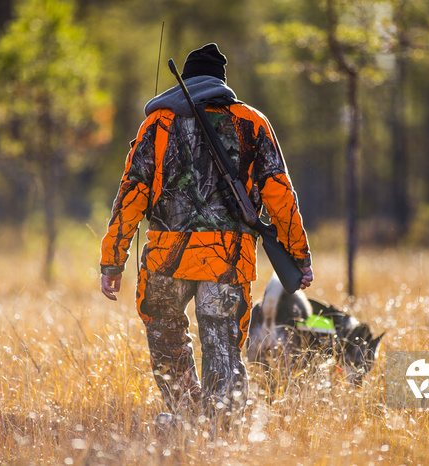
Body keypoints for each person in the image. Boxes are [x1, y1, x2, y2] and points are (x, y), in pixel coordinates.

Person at [100, 43, 313, 425]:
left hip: (166, 260)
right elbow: (281, 196)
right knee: (223, 349)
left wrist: (113, 261)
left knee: (166, 340)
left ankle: (187, 417)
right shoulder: (252, 122)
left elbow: (131, 193)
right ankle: (217, 428)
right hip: (227, 262)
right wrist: (299, 256)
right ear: (221, 82)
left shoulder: (157, 124)